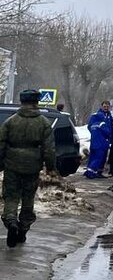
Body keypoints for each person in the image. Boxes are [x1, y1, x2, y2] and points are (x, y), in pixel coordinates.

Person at [0, 89, 57, 247]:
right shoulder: (44, 123)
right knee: (28, 199)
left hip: (12, 165)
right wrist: (51, 168)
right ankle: (23, 229)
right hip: (32, 167)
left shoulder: (10, 121)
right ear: (36, 102)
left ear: (21, 101)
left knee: (11, 197)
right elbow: (49, 149)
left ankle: (11, 221)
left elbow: (1, 144)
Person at [83, 100, 113, 178]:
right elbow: (90, 126)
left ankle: (98, 172)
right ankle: (90, 172)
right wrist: (96, 134)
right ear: (101, 106)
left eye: (107, 106)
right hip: (99, 139)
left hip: (105, 140)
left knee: (102, 157)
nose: (106, 108)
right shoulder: (97, 116)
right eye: (104, 106)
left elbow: (111, 128)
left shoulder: (109, 116)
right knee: (97, 156)